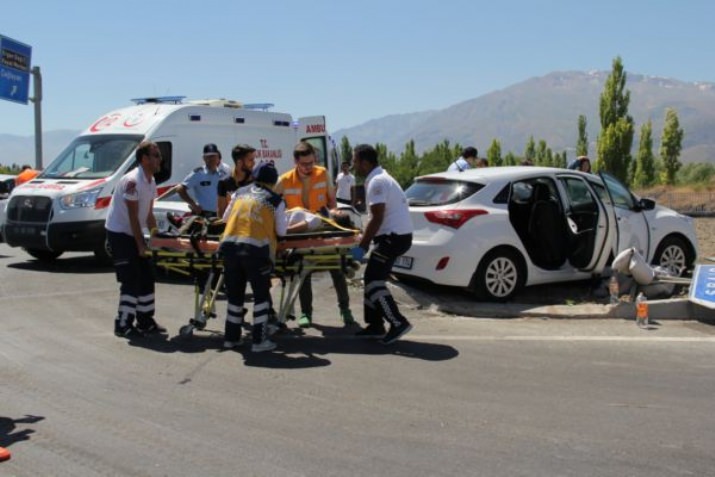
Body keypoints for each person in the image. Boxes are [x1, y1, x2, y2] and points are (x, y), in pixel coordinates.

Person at [275, 141, 355, 327]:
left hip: (323, 228)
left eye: (311, 163)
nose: (309, 167)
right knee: (304, 272)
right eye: (304, 164)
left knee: (336, 268)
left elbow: (332, 202)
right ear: (296, 162)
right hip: (300, 233)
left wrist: (333, 221)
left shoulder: (323, 174)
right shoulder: (284, 180)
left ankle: (345, 309)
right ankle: (306, 313)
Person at [350, 144, 414, 345]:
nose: (353, 165)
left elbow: (377, 217)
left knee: (374, 279)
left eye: (355, 161)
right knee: (371, 277)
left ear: (365, 162)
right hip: (395, 236)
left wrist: (363, 245)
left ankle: (398, 322)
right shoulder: (379, 177)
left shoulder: (377, 181)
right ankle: (375, 325)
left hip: (392, 238)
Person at [220, 161, 287, 352]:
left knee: (235, 296)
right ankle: (259, 341)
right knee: (261, 296)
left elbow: (225, 218)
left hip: (230, 248)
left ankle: (231, 339)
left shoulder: (239, 193)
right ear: (274, 182)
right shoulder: (276, 200)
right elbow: (282, 231)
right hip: (256, 251)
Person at [105, 141, 165, 337]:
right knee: (130, 279)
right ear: (144, 159)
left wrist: (157, 235)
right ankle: (123, 324)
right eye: (155, 155)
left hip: (134, 232)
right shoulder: (133, 181)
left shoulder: (151, 181)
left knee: (147, 276)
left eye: (159, 155)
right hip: (121, 234)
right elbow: (132, 218)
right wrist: (140, 245)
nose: (159, 159)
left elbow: (147, 214)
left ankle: (145, 321)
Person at [176, 143, 231, 217]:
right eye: (208, 157)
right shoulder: (198, 173)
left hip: (221, 215)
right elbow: (180, 189)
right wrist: (193, 204)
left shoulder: (224, 173)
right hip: (204, 215)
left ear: (218, 157)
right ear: (204, 158)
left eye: (213, 156)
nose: (211, 159)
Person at [217, 143, 256, 217]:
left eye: (254, 159)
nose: (254, 163)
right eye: (250, 160)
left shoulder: (256, 180)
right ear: (239, 162)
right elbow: (221, 212)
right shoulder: (224, 182)